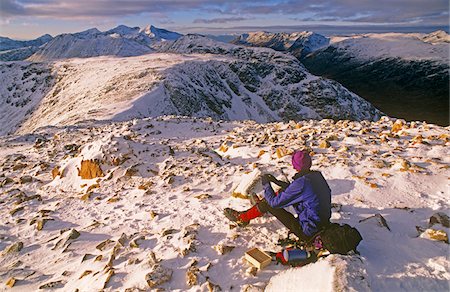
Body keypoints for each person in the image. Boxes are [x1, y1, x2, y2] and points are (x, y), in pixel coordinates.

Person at [224, 150, 331, 241]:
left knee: (268, 203)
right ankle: (258, 209)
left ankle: (243, 218)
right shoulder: (316, 177)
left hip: (308, 231)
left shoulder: (302, 183)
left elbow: (274, 203)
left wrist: (266, 184)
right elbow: (296, 190)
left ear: (295, 165)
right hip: (322, 224)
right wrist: (276, 182)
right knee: (280, 194)